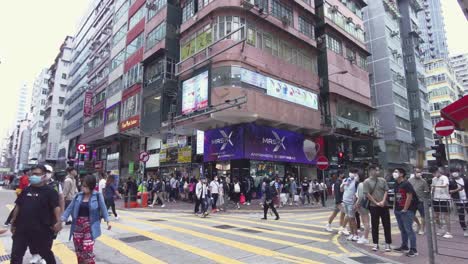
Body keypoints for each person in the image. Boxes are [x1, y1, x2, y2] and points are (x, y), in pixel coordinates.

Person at [10, 165, 62, 264]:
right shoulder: (26, 190)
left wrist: (59, 221)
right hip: (22, 229)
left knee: (46, 254)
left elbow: (56, 207)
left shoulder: (50, 192)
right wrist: (13, 222)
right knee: (16, 255)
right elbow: (18, 206)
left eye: (37, 174)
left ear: (43, 176)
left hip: (41, 230)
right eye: (32, 174)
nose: (34, 176)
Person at [62, 175, 111, 263]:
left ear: (91, 186)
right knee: (79, 253)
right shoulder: (78, 196)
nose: (83, 188)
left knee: (87, 251)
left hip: (90, 227)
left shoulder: (97, 196)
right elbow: (69, 208)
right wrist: (62, 219)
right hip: (77, 227)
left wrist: (108, 221)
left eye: (85, 186)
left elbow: (103, 208)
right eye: (82, 185)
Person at [363, 165, 392, 252]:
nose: (378, 172)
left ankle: (388, 244)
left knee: (387, 225)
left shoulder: (382, 180)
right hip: (374, 206)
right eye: (376, 170)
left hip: (384, 206)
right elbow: (367, 194)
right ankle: (375, 244)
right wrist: (376, 203)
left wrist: (383, 201)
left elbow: (386, 191)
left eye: (378, 170)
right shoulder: (366, 182)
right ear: (371, 171)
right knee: (375, 225)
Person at [393, 168, 419, 257]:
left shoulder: (406, 184)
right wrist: (395, 209)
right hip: (398, 209)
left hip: (407, 210)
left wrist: (405, 209)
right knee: (402, 229)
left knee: (409, 230)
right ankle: (404, 246)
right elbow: (397, 197)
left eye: (396, 172)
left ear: (402, 174)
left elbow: (409, 197)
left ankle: (413, 249)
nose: (394, 173)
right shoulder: (396, 183)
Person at [431, 166, 452, 238]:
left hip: (444, 199)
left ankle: (448, 232)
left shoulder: (444, 178)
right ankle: (441, 229)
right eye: (433, 173)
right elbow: (432, 188)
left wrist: (435, 186)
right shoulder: (433, 179)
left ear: (438, 171)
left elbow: (445, 185)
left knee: (446, 215)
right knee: (436, 216)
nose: (434, 174)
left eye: (435, 172)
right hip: (435, 199)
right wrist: (431, 192)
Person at [408, 167, 429, 235]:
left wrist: (426, 197)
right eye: (417, 172)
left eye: (419, 172)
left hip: (421, 201)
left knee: (423, 215)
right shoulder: (410, 180)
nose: (418, 173)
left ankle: (422, 229)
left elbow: (427, 191)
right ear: (414, 172)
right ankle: (418, 224)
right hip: (412, 201)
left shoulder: (423, 181)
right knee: (411, 215)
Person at [448, 168, 468, 237]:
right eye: (452, 172)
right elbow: (449, 191)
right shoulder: (451, 181)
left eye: (455, 171)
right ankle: (465, 230)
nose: (454, 173)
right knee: (461, 216)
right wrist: (457, 189)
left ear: (459, 172)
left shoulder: (465, 179)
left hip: (466, 200)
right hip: (458, 201)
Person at [341, 169, 359, 241]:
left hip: (351, 202)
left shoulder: (356, 181)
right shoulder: (345, 180)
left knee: (352, 218)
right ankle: (351, 233)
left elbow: (357, 192)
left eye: (354, 173)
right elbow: (341, 190)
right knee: (348, 218)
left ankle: (356, 234)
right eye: (351, 172)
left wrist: (356, 177)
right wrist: (343, 184)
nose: (352, 174)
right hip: (345, 201)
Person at [355, 171, 370, 245]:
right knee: (365, 222)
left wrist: (356, 204)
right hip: (364, 205)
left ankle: (366, 238)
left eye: (356, 176)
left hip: (362, 205)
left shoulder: (361, 184)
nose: (355, 177)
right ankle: (365, 236)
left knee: (365, 222)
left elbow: (360, 196)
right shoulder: (364, 183)